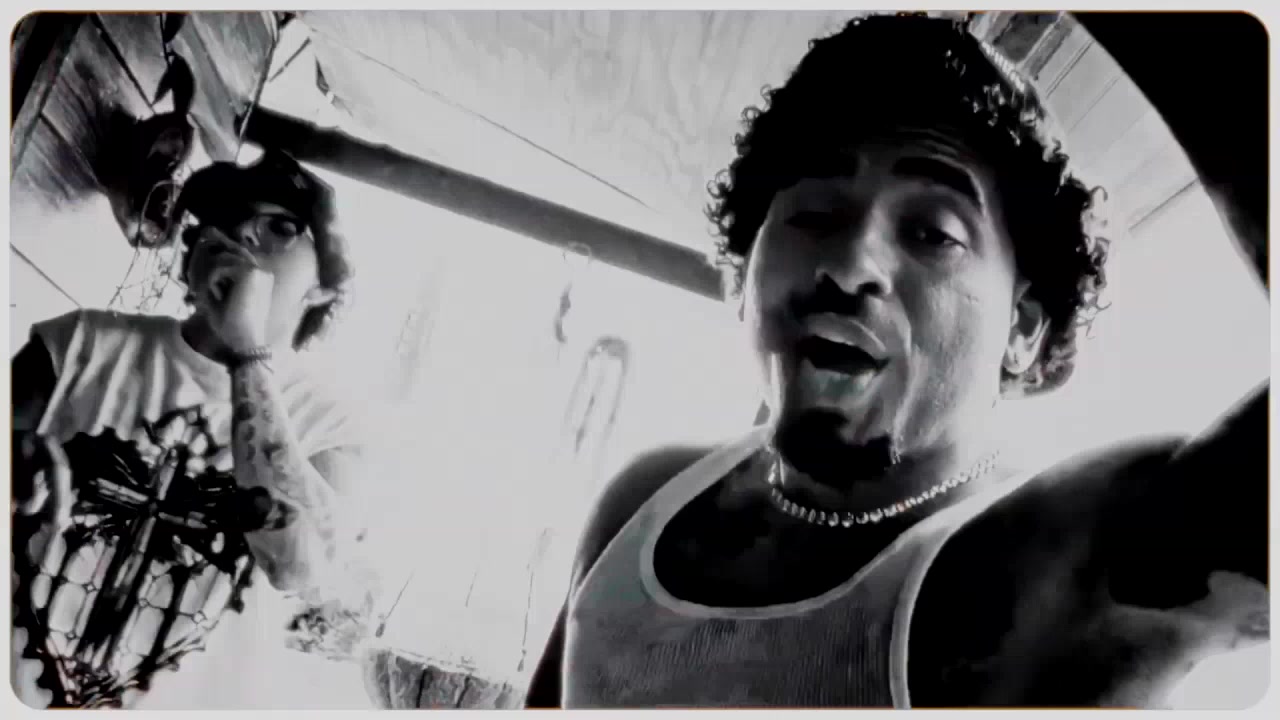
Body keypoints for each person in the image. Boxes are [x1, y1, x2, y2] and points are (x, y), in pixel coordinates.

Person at [526, 12, 1267, 709]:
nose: (850, 266)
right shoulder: (641, 504)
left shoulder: (1061, 563)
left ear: (1023, 328)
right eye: (815, 214)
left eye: (933, 232)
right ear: (745, 273)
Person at [11, 149, 380, 709]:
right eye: (229, 216)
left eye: (281, 228)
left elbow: (296, 563)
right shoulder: (77, 345)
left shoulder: (335, 427)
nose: (245, 234)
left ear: (323, 287)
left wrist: (247, 352)